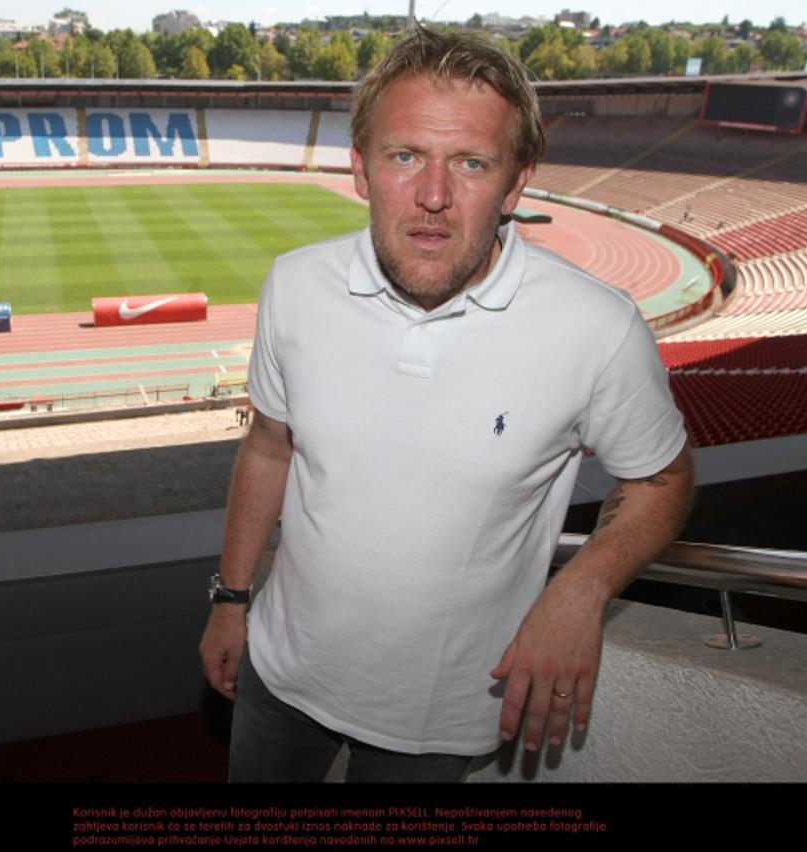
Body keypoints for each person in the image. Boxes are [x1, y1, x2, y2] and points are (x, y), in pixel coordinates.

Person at [199, 28, 694, 783]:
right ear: (361, 168)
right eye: (405, 156)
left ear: (515, 183)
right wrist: (232, 598)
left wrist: (582, 589)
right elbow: (271, 445)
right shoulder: (295, 284)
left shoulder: (597, 327)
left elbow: (662, 480)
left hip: (440, 719)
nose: (433, 196)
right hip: (279, 673)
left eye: (470, 162)